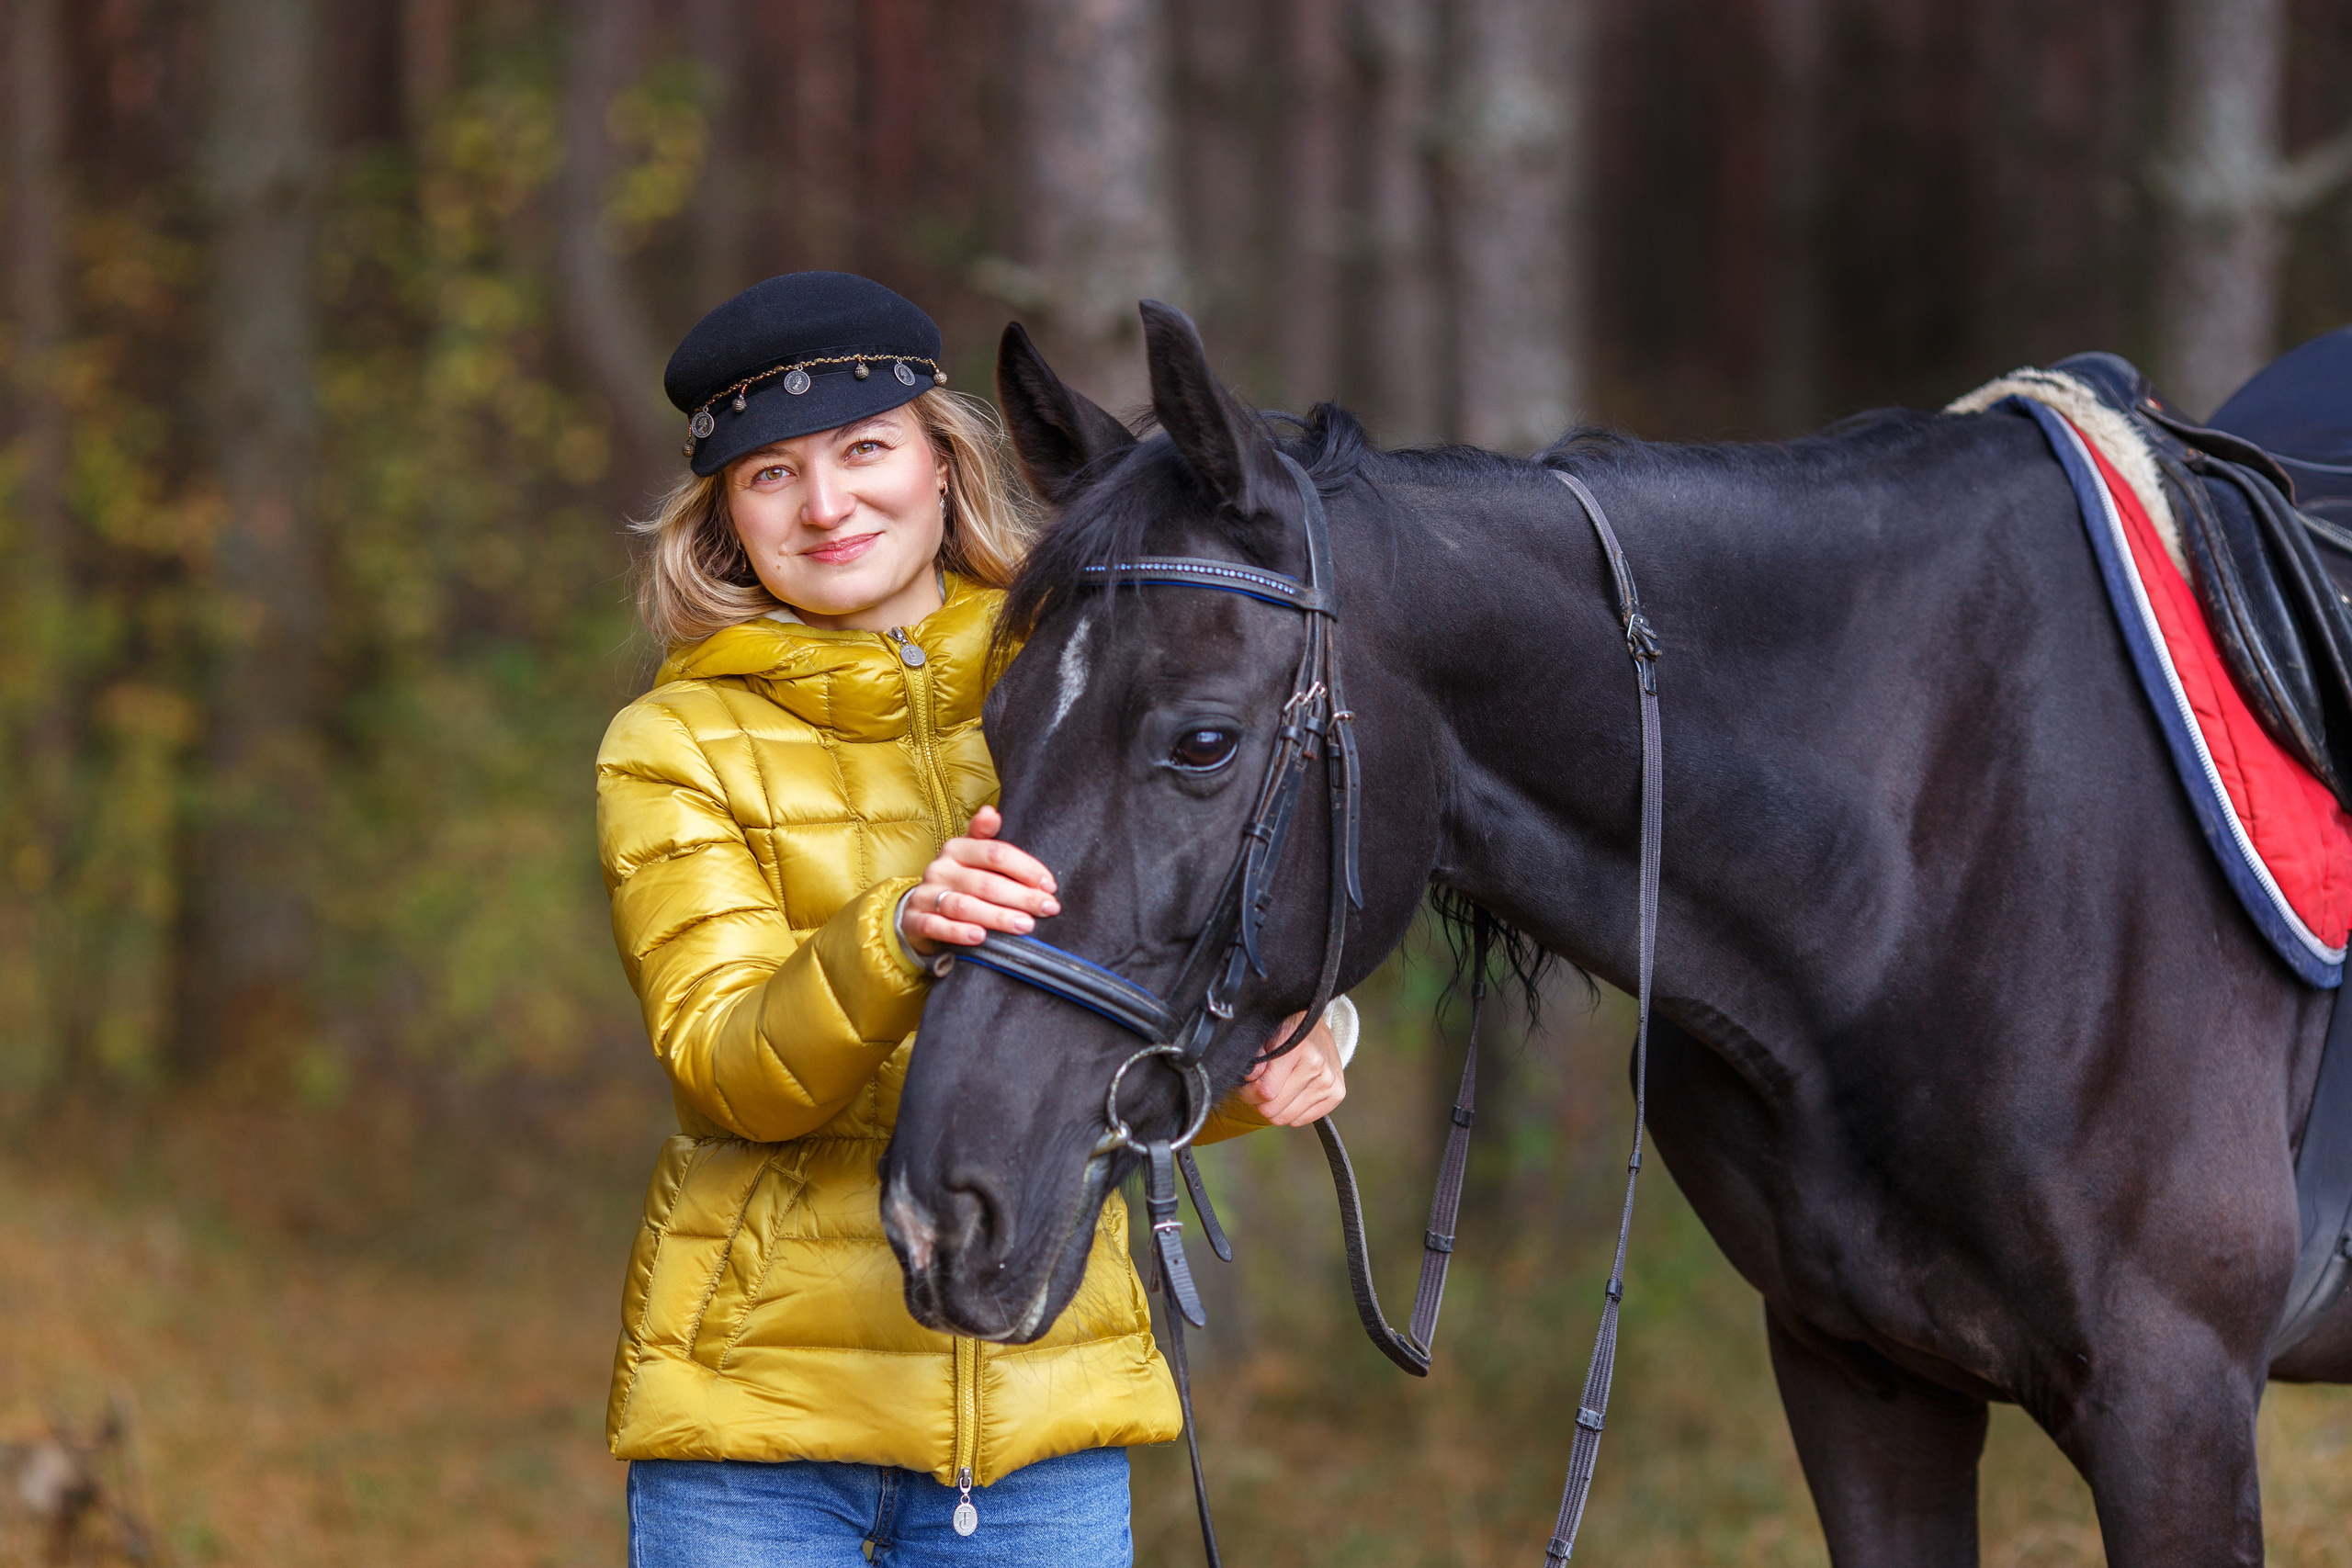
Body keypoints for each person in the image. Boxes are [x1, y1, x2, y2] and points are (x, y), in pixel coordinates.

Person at [597, 272, 1358, 1567]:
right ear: (722, 517)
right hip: (756, 1440)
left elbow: (1114, 1025)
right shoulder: (675, 743)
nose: (828, 504)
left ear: (943, 462)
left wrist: (1262, 1071)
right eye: (770, 475)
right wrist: (898, 932)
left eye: (863, 449)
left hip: (1041, 1418)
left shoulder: (1070, 677)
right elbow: (728, 1068)